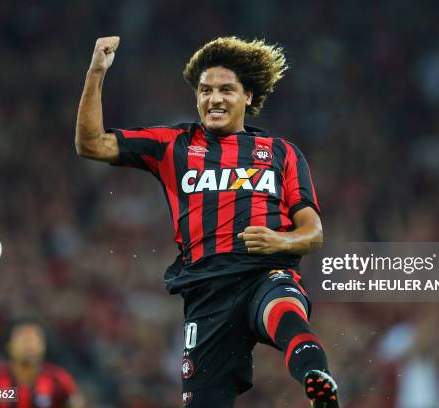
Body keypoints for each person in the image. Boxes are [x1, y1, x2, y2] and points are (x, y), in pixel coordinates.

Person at [76, 35, 339, 407]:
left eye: (226, 89)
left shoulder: (282, 153)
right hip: (206, 294)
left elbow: (313, 233)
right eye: (205, 90)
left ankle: (316, 377)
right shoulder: (174, 143)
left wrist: (279, 242)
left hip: (262, 272)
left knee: (282, 309)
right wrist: (96, 73)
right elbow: (91, 144)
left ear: (248, 96)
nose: (214, 98)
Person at [0, 318, 84, 408]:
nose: (28, 344)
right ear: (8, 345)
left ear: (44, 346)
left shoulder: (59, 380)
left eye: (34, 339)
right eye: (22, 338)